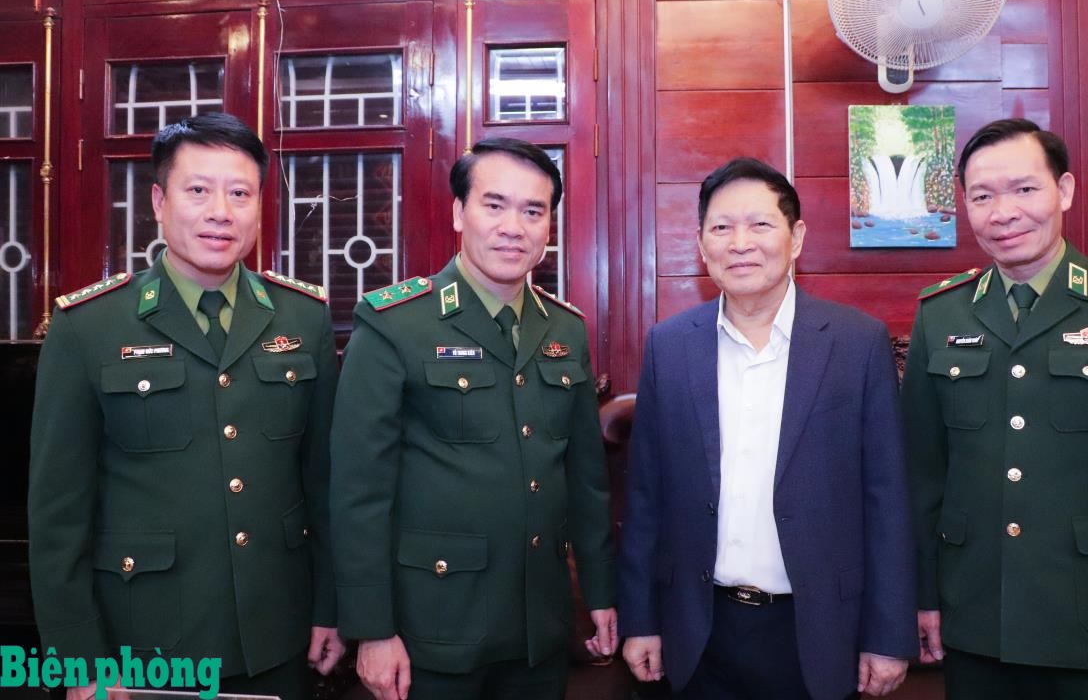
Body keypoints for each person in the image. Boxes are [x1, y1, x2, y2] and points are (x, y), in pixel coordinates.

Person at [27, 112, 344, 700]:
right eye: (198, 190)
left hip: (277, 633)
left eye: (240, 193)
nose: (220, 211)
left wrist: (330, 609)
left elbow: (324, 485)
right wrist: (78, 661)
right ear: (158, 201)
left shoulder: (303, 318)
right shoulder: (89, 326)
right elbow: (57, 516)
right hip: (143, 646)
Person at [902, 118, 1088, 700]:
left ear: (1063, 190)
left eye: (1024, 189)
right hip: (974, 619)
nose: (1004, 212)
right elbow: (922, 476)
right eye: (982, 196)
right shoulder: (941, 314)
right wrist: (922, 595)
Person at [329, 137, 617, 700]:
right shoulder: (395, 323)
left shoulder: (564, 328)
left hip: (539, 629)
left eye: (533, 211)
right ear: (460, 212)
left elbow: (585, 479)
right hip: (432, 629)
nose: (514, 227)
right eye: (495, 205)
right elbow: (358, 491)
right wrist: (372, 629)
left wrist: (602, 593)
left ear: (549, 226)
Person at [619, 158, 917, 700]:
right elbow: (645, 498)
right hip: (699, 631)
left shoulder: (857, 343)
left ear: (796, 237)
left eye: (760, 224)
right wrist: (641, 619)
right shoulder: (669, 345)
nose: (740, 243)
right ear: (701, 244)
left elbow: (888, 498)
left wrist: (888, 634)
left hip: (819, 631)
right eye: (721, 227)